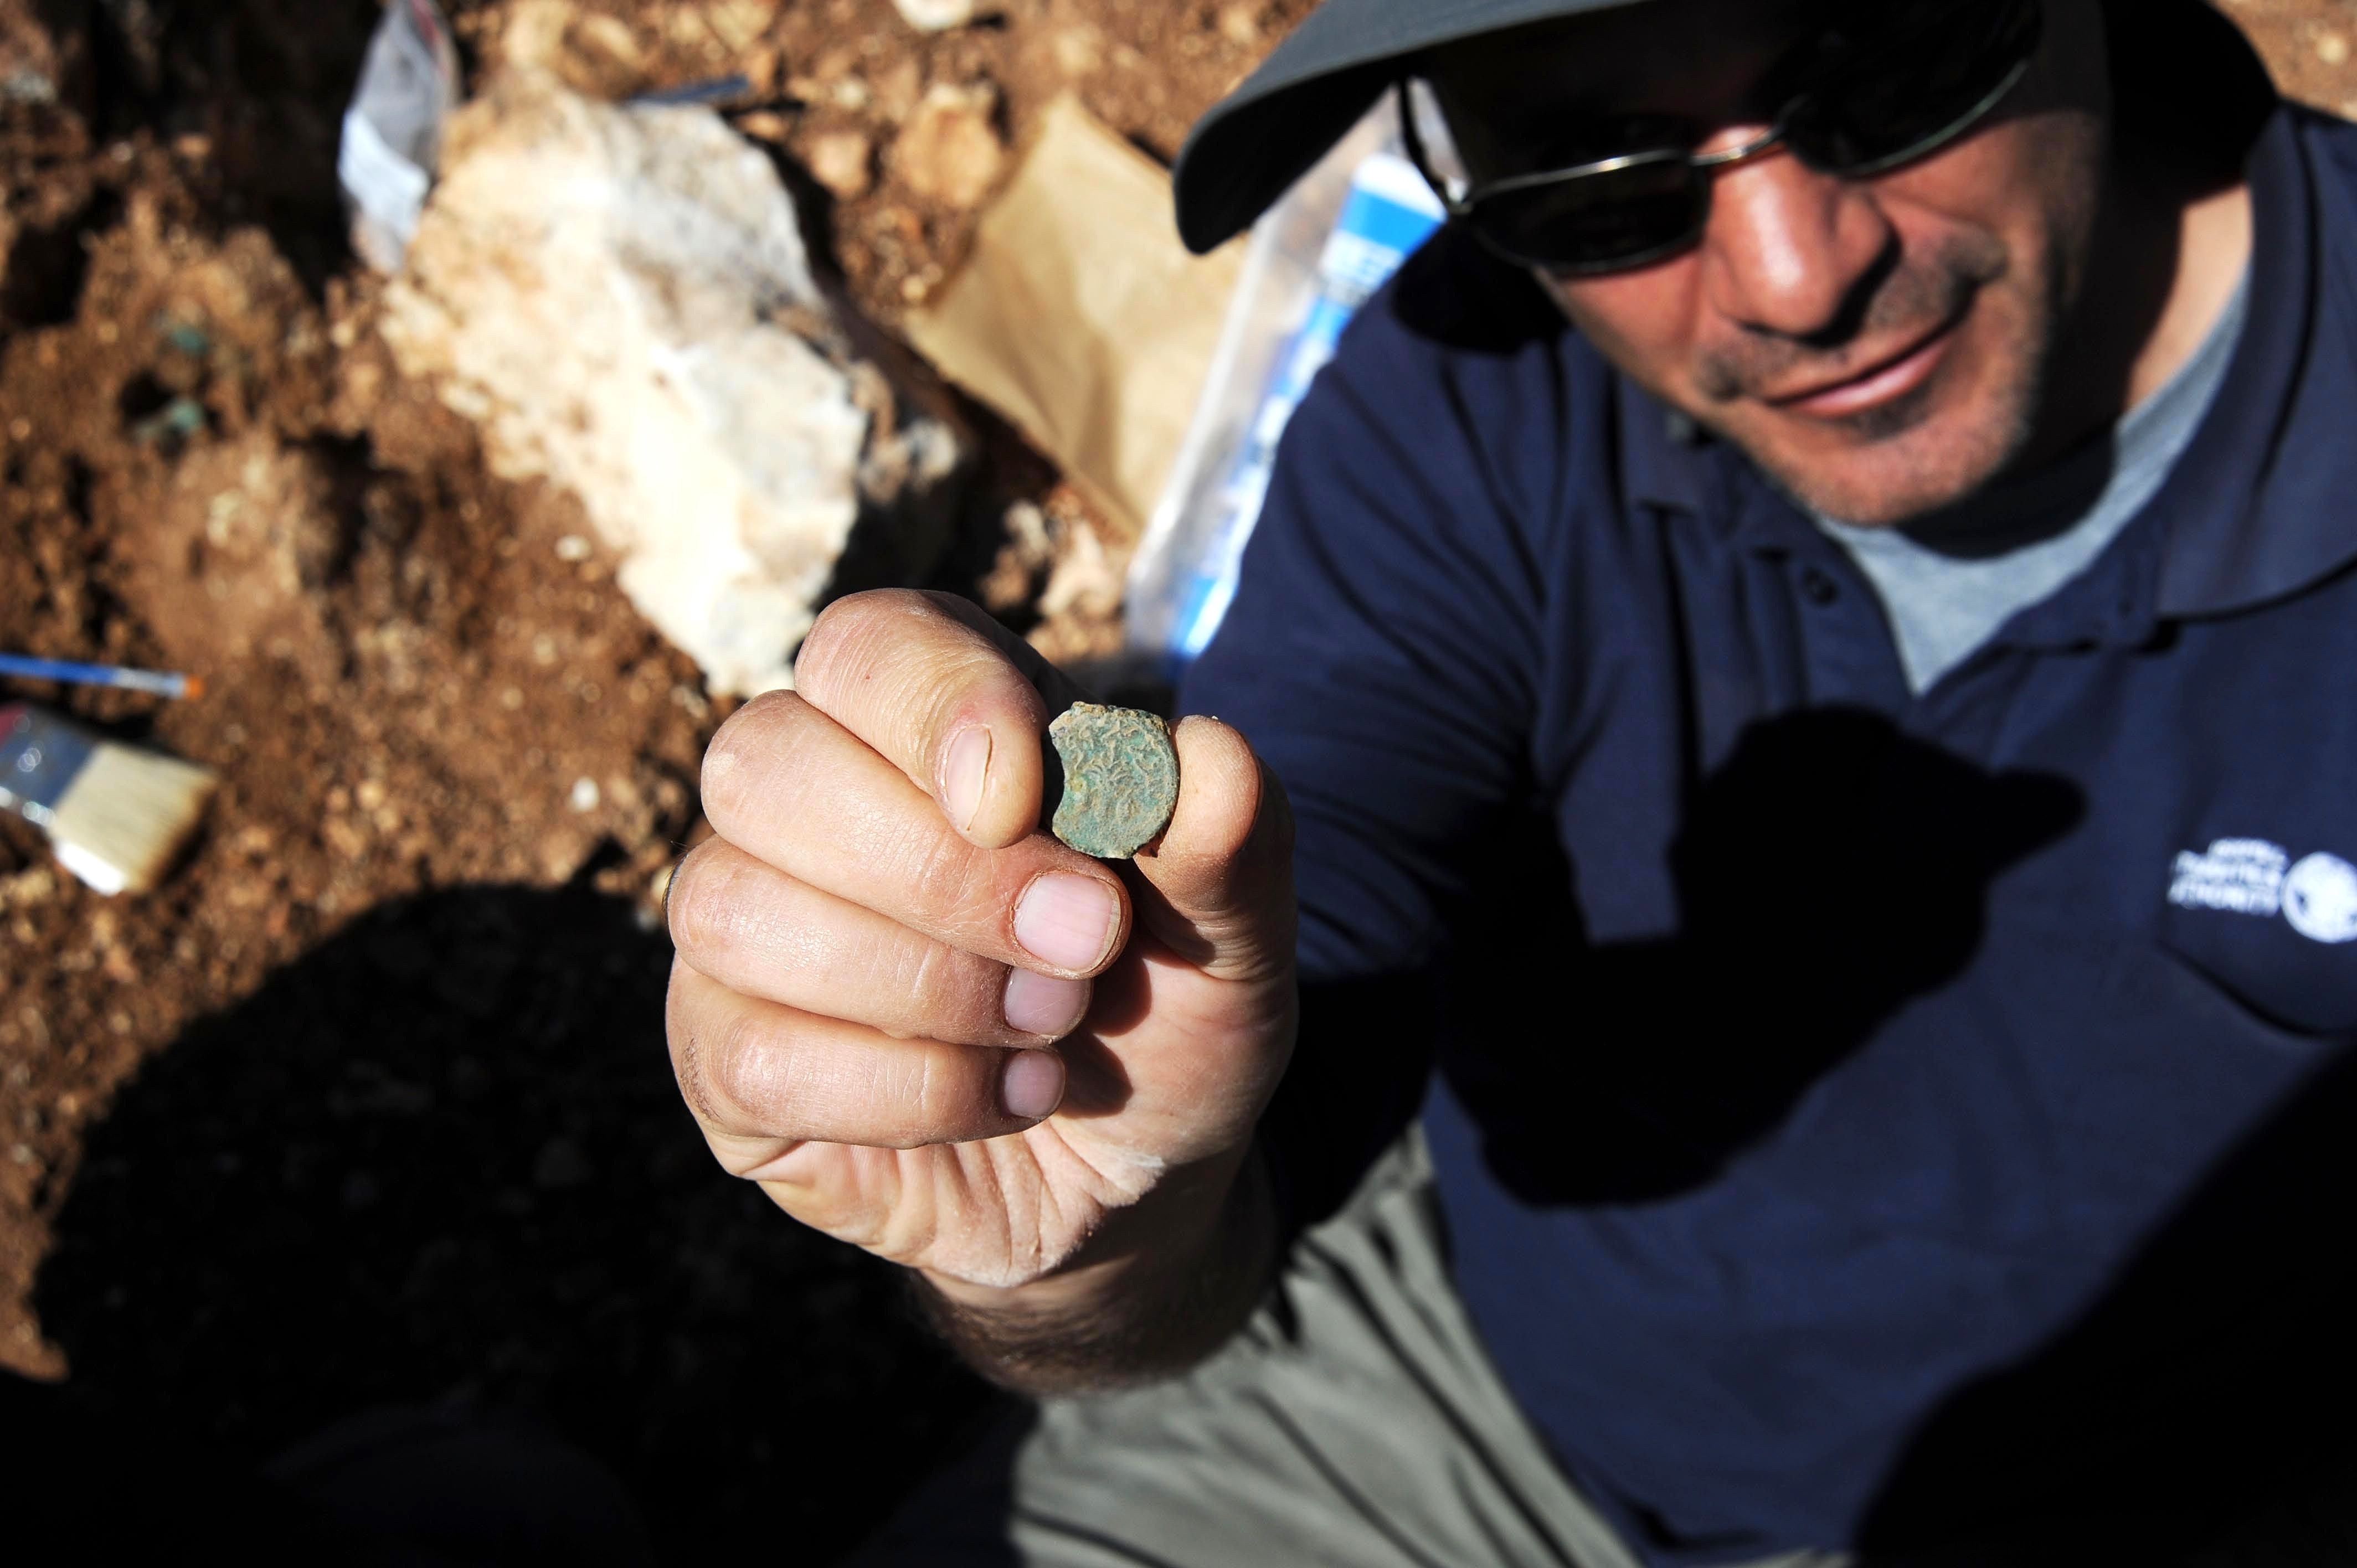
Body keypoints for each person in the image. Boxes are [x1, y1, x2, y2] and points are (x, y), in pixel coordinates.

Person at [662, 1, 2357, 1562]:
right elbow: (1244, 1092)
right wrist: (1077, 1223)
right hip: (1461, 1407)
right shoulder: (1469, 390)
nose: (1789, 273)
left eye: (1896, 68)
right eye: (1592, 179)